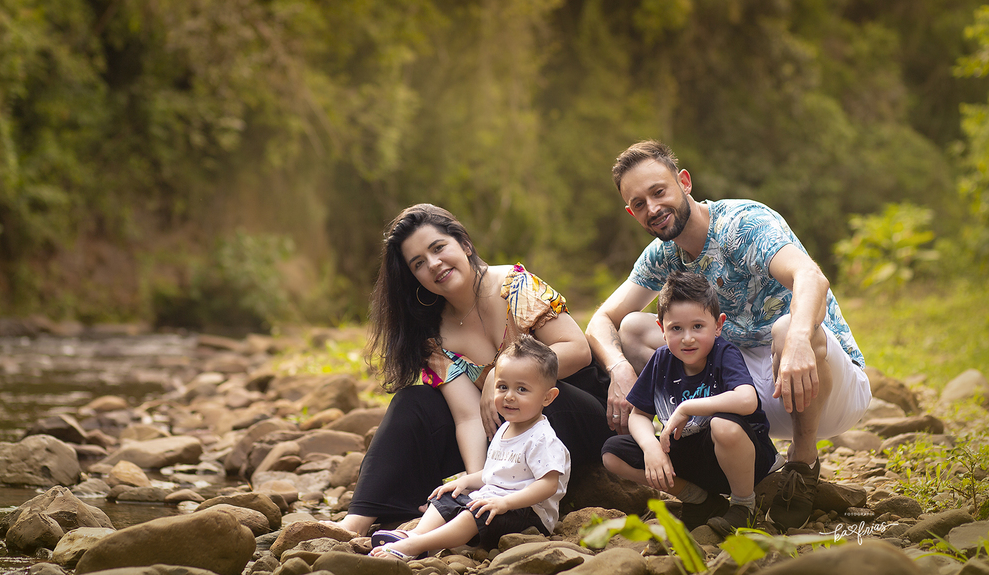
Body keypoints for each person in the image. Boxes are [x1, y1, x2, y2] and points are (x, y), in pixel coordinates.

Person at [585, 140, 871, 531]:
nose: (652, 208)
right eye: (638, 203)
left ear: (684, 182)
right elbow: (602, 319)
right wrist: (618, 368)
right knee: (633, 328)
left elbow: (810, 276)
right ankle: (715, 461)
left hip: (822, 383)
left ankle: (802, 464)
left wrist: (801, 340)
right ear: (631, 212)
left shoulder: (742, 223)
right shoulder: (662, 254)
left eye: (659, 192)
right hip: (744, 398)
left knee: (787, 327)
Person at [335, 204, 612, 537]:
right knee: (413, 403)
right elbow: (468, 417)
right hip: (508, 438)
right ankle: (357, 521)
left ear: (464, 245)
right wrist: (479, 485)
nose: (434, 264)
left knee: (534, 392)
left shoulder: (515, 285)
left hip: (572, 412)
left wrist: (498, 374)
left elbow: (578, 350)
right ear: (414, 278)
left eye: (438, 248)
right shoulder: (433, 333)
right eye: (419, 263)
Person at [601, 271, 778, 535]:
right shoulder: (661, 361)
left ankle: (743, 505)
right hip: (692, 459)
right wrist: (651, 448)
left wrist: (687, 407)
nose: (687, 338)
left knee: (723, 425)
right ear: (661, 329)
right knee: (613, 453)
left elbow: (747, 400)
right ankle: (700, 500)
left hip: (743, 458)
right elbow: (639, 414)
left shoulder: (723, 354)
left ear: (718, 325)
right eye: (676, 328)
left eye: (698, 326)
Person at [369, 336, 571, 559]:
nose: (509, 396)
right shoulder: (505, 428)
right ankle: (415, 535)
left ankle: (417, 546)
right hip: (494, 499)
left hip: (528, 513)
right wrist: (465, 481)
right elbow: (498, 474)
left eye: (522, 390)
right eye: (502, 387)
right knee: (447, 496)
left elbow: (548, 485)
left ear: (548, 397)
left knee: (472, 513)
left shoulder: (542, 439)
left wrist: (505, 502)